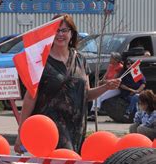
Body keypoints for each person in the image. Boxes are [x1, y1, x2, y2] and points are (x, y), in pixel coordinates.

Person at [14, 14, 120, 153]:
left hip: (76, 128)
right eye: (56, 30)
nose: (60, 34)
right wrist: (22, 131)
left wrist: (106, 87)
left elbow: (86, 94)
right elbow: (30, 97)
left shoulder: (80, 59)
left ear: (72, 33)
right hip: (48, 129)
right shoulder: (41, 60)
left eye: (64, 30)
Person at [88, 52, 124, 121]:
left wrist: (104, 82)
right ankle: (93, 112)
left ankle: (94, 112)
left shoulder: (120, 67)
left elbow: (114, 79)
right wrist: (101, 81)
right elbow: (105, 76)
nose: (110, 59)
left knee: (99, 96)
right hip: (107, 85)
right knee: (96, 92)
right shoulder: (110, 66)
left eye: (111, 58)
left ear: (116, 60)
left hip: (115, 87)